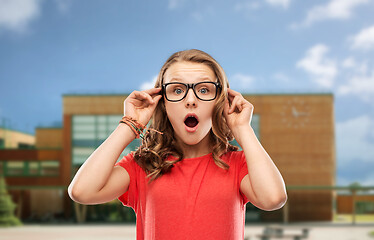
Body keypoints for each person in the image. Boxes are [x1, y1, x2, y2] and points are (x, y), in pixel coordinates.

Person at [68, 49, 287, 239]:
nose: (190, 100)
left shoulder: (237, 165)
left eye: (204, 90)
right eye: (177, 90)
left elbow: (273, 199)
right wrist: (130, 124)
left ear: (219, 101)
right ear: (163, 103)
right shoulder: (143, 166)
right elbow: (82, 191)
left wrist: (243, 129)